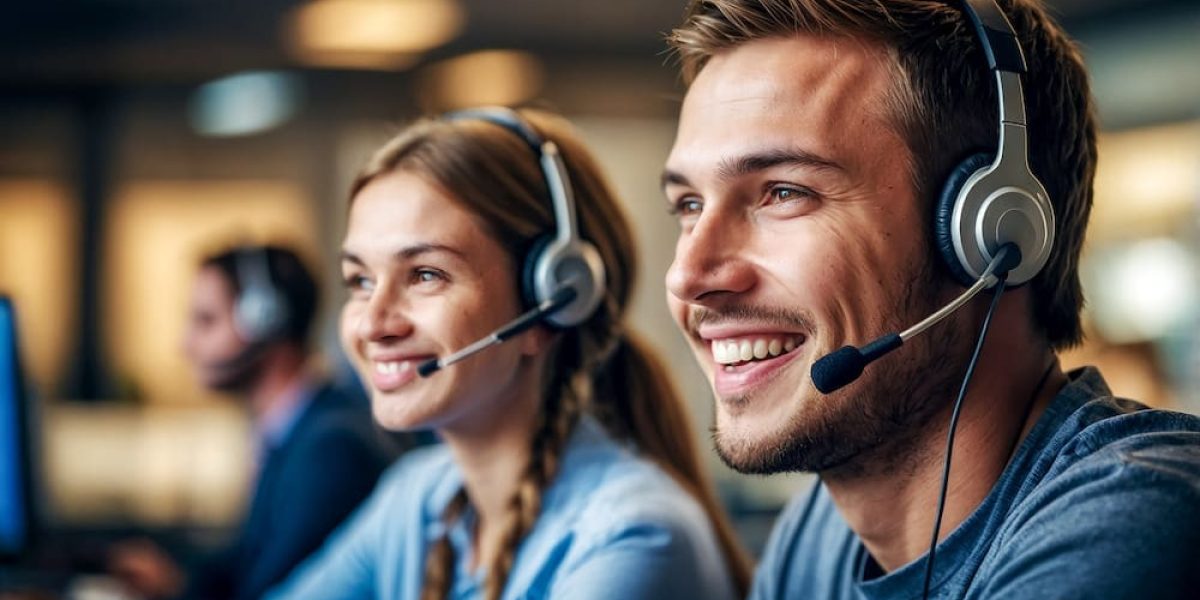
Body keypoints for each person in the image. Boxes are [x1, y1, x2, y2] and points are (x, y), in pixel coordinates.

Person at [662, 0, 1200, 598]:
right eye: (688, 205)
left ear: (993, 234)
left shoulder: (1138, 521)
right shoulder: (816, 538)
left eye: (783, 192)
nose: (689, 275)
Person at [267, 107, 750, 599]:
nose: (372, 323)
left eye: (425, 274)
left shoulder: (634, 536)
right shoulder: (415, 500)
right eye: (361, 281)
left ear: (551, 302)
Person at [110, 245, 398, 600]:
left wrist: (180, 589)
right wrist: (175, 575)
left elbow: (268, 590)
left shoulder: (329, 448)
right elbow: (249, 557)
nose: (185, 345)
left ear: (264, 318)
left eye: (206, 321)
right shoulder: (293, 430)